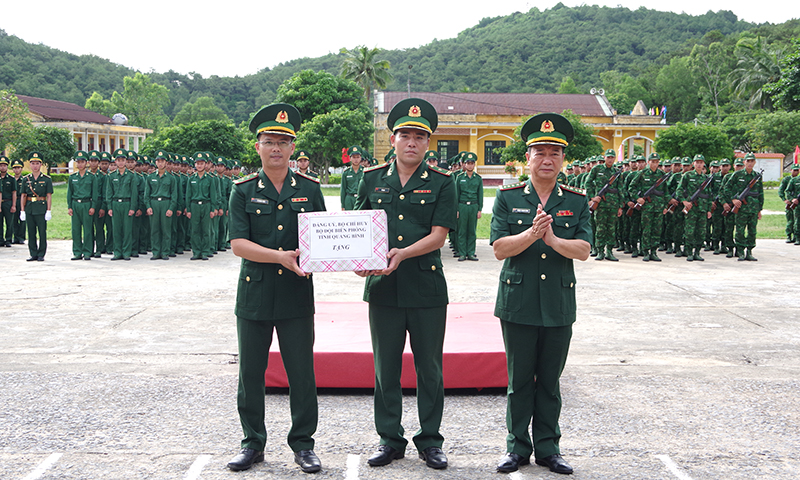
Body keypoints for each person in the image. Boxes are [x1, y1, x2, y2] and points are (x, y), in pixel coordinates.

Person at [354, 98, 456, 470]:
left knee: (429, 368)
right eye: (404, 135)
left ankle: (430, 440)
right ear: (392, 139)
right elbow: (358, 229)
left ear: (428, 144)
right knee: (386, 368)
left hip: (426, 287)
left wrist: (400, 253)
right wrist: (358, 262)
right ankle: (389, 439)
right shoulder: (371, 179)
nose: (411, 142)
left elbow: (439, 236)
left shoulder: (443, 183)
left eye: (419, 136)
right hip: (382, 288)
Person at [490, 113, 591, 475]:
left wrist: (553, 240)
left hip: (558, 304)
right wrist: (532, 235)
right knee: (519, 382)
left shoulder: (577, 201)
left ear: (563, 159)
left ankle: (548, 448)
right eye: (539, 152)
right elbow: (500, 248)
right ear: (527, 157)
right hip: (518, 303)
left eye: (555, 153)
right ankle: (517, 448)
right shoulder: (508, 198)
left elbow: (583, 249)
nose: (547, 159)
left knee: (549, 382)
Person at [227, 103, 325, 474]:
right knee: (251, 373)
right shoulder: (243, 190)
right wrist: (279, 256)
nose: (276, 149)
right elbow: (238, 244)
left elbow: (322, 236)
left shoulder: (310, 189)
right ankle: (252, 444)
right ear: (258, 147)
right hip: (255, 292)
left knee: (301, 372)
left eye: (283, 142)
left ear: (292, 147)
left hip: (297, 293)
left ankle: (303, 445)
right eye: (269, 141)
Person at [724, 153, 763, 261]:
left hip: (753, 208)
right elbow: (727, 188)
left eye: (752, 161)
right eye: (748, 161)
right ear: (744, 162)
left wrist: (759, 209)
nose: (750, 163)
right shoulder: (737, 175)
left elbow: (760, 193)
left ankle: (749, 251)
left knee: (752, 231)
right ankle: (740, 252)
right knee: (740, 231)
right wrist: (733, 199)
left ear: (755, 162)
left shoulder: (757, 176)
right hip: (741, 209)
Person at [585, 149, 621, 261]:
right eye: (608, 157)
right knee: (600, 228)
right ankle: (600, 251)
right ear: (604, 157)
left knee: (611, 228)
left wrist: (620, 205)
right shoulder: (597, 169)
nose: (610, 159)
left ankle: (609, 251)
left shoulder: (617, 172)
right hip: (600, 204)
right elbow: (588, 182)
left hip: (613, 204)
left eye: (612, 157)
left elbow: (621, 189)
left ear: (614, 159)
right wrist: (591, 197)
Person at [105, 148, 140, 261]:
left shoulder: (131, 175)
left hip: (127, 203)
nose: (120, 162)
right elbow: (109, 193)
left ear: (125, 161)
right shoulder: (111, 176)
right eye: (118, 160)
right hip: (115, 204)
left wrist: (132, 207)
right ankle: (117, 252)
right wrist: (109, 207)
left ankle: (126, 252)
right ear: (115, 161)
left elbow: (134, 193)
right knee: (116, 229)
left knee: (127, 229)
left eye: (123, 160)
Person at [144, 151, 179, 260]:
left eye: (162, 161)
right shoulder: (150, 177)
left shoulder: (171, 178)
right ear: (155, 163)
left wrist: (171, 208)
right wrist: (148, 206)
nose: (160, 163)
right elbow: (146, 194)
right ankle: (155, 252)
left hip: (166, 203)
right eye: (158, 161)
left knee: (166, 229)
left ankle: (165, 252)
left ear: (166, 163)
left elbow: (174, 195)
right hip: (154, 203)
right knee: (154, 229)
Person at [19, 152, 53, 261]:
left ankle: (41, 253)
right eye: (33, 163)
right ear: (30, 164)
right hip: (29, 208)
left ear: (41, 165)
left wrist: (48, 210)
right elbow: (23, 196)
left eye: (37, 163)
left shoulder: (47, 179)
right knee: (31, 232)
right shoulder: (26, 179)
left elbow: (48, 196)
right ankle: (33, 253)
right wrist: (22, 211)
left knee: (42, 232)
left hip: (41, 208)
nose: (35, 165)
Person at [66, 151, 99, 260]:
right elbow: (69, 193)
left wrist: (93, 206)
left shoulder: (91, 177)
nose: (80, 164)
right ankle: (77, 252)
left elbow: (95, 193)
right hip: (76, 204)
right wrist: (69, 206)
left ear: (87, 163)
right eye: (78, 162)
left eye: (82, 162)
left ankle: (88, 252)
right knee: (76, 229)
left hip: (87, 204)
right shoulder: (72, 177)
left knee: (88, 229)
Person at [455, 152, 483, 261]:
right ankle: (462, 253)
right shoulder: (459, 178)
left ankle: (471, 253)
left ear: (474, 165)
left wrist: (479, 209)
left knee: (472, 230)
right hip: (462, 206)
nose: (470, 165)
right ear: (464, 165)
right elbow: (456, 195)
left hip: (473, 206)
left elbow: (480, 195)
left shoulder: (478, 178)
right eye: (468, 163)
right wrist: (456, 209)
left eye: (472, 163)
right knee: (462, 230)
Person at [340, 145, 364, 210]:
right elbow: (343, 189)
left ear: (360, 158)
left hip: (361, 199)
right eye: (353, 157)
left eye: (358, 157)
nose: (356, 159)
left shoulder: (365, 172)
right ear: (350, 158)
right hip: (349, 199)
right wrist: (343, 205)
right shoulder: (346, 173)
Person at [0, 156, 17, 247]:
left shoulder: (11, 179)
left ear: (7, 167)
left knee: (9, 222)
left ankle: (8, 239)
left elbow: (14, 192)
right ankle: (0, 240)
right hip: (0, 202)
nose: (2, 167)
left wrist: (13, 205)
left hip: (8, 202)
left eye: (4, 165)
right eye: (1, 165)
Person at [10, 158, 26, 244]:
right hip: (13, 201)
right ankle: (15, 237)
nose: (16, 170)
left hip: (21, 200)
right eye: (15, 168)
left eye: (18, 168)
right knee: (13, 219)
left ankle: (21, 237)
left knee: (22, 219)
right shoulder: (11, 180)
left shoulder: (24, 180)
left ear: (21, 169)